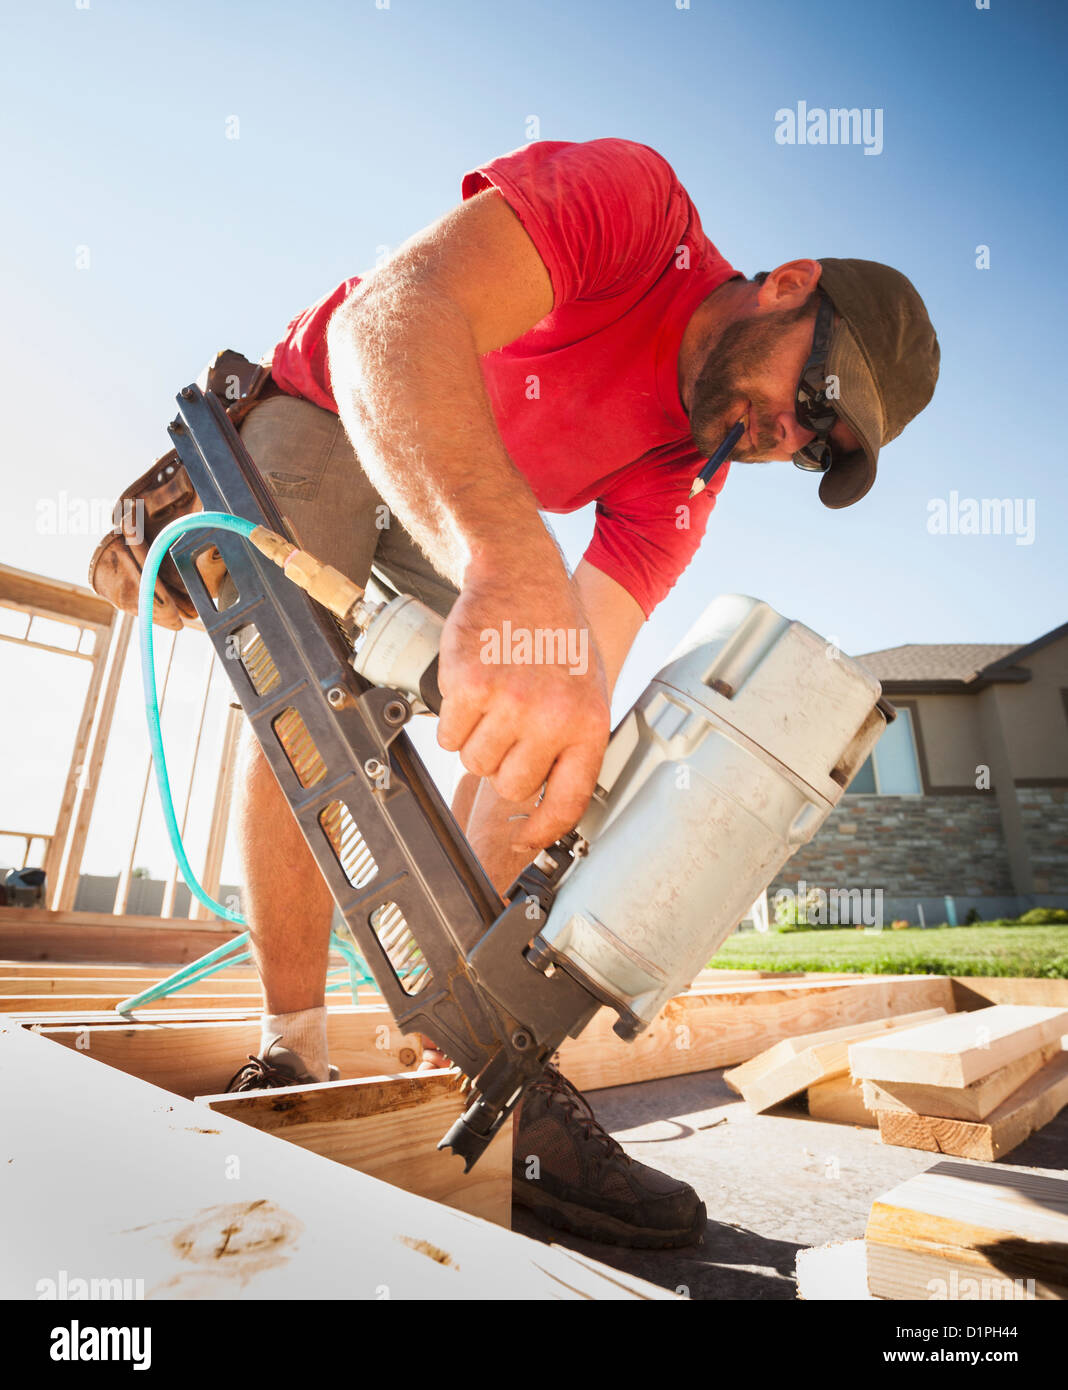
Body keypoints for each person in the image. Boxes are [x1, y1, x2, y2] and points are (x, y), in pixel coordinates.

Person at [223, 137, 940, 1248]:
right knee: (311, 689)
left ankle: (475, 1059)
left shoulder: (684, 479)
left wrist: (490, 1002)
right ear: (791, 284)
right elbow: (390, 321)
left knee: (531, 728)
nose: (783, 433)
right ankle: (289, 1043)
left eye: (814, 445)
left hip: (456, 505)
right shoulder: (638, 213)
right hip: (335, 403)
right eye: (812, 394)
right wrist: (509, 562)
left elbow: (570, 693)